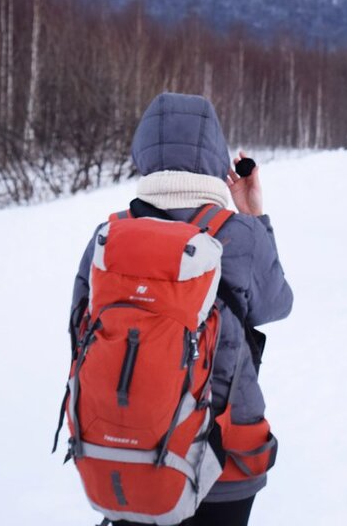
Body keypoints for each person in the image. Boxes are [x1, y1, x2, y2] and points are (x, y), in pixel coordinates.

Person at [69, 93, 294, 526]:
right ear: (216, 152)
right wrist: (253, 215)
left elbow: (80, 326)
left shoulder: (109, 235)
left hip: (126, 443)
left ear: (142, 152)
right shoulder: (239, 235)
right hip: (225, 448)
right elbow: (277, 304)